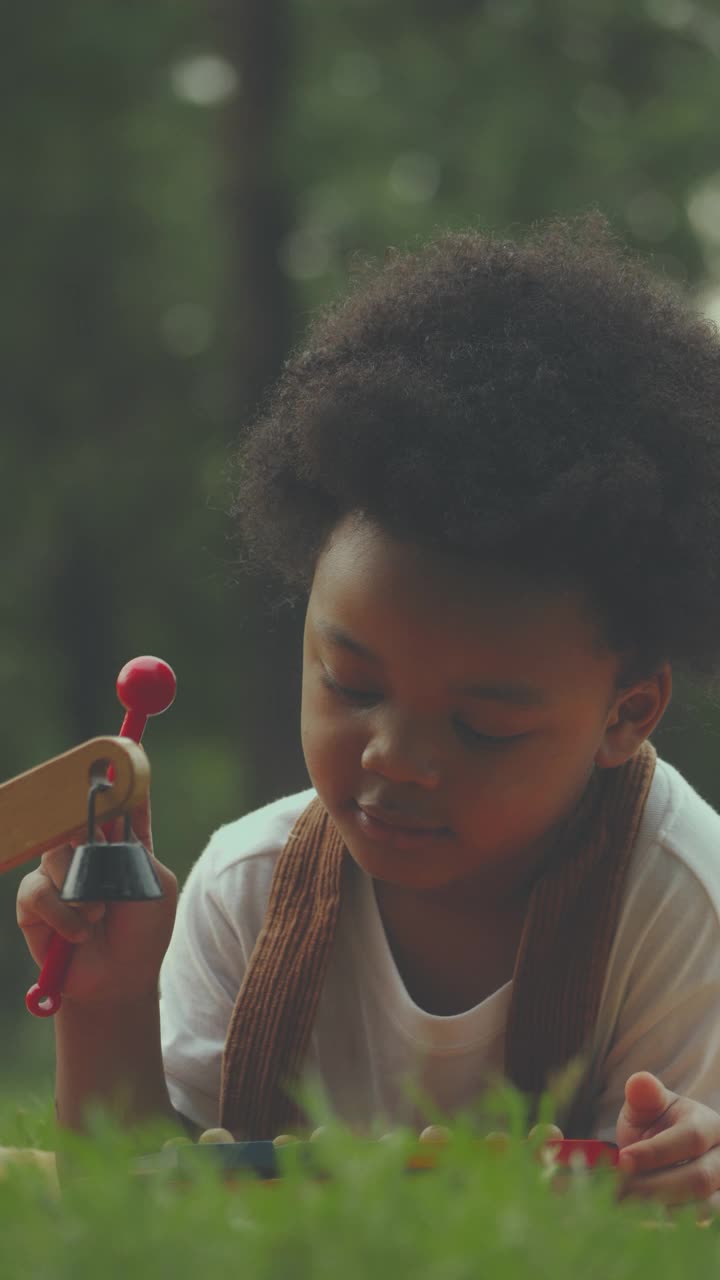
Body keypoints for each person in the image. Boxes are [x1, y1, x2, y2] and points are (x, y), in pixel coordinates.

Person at [17, 212, 720, 1209]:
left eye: (482, 725)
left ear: (629, 709)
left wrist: (681, 1176)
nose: (394, 756)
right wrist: (105, 1002)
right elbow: (138, 1218)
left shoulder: (680, 904)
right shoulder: (247, 891)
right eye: (350, 684)